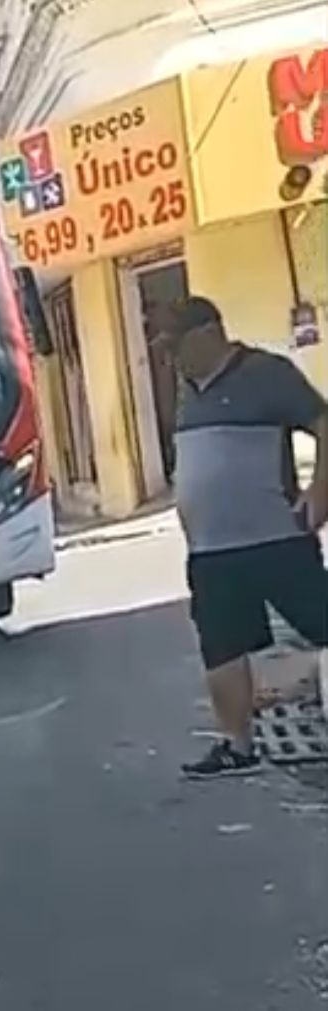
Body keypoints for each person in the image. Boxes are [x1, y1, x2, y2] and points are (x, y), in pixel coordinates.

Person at [162, 297, 328, 779]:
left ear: (208, 331)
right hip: (211, 552)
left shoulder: (266, 373)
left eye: (175, 343)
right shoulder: (186, 390)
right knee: (221, 648)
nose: (170, 354)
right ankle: (237, 746)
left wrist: (321, 488)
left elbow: (324, 422)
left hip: (274, 537)